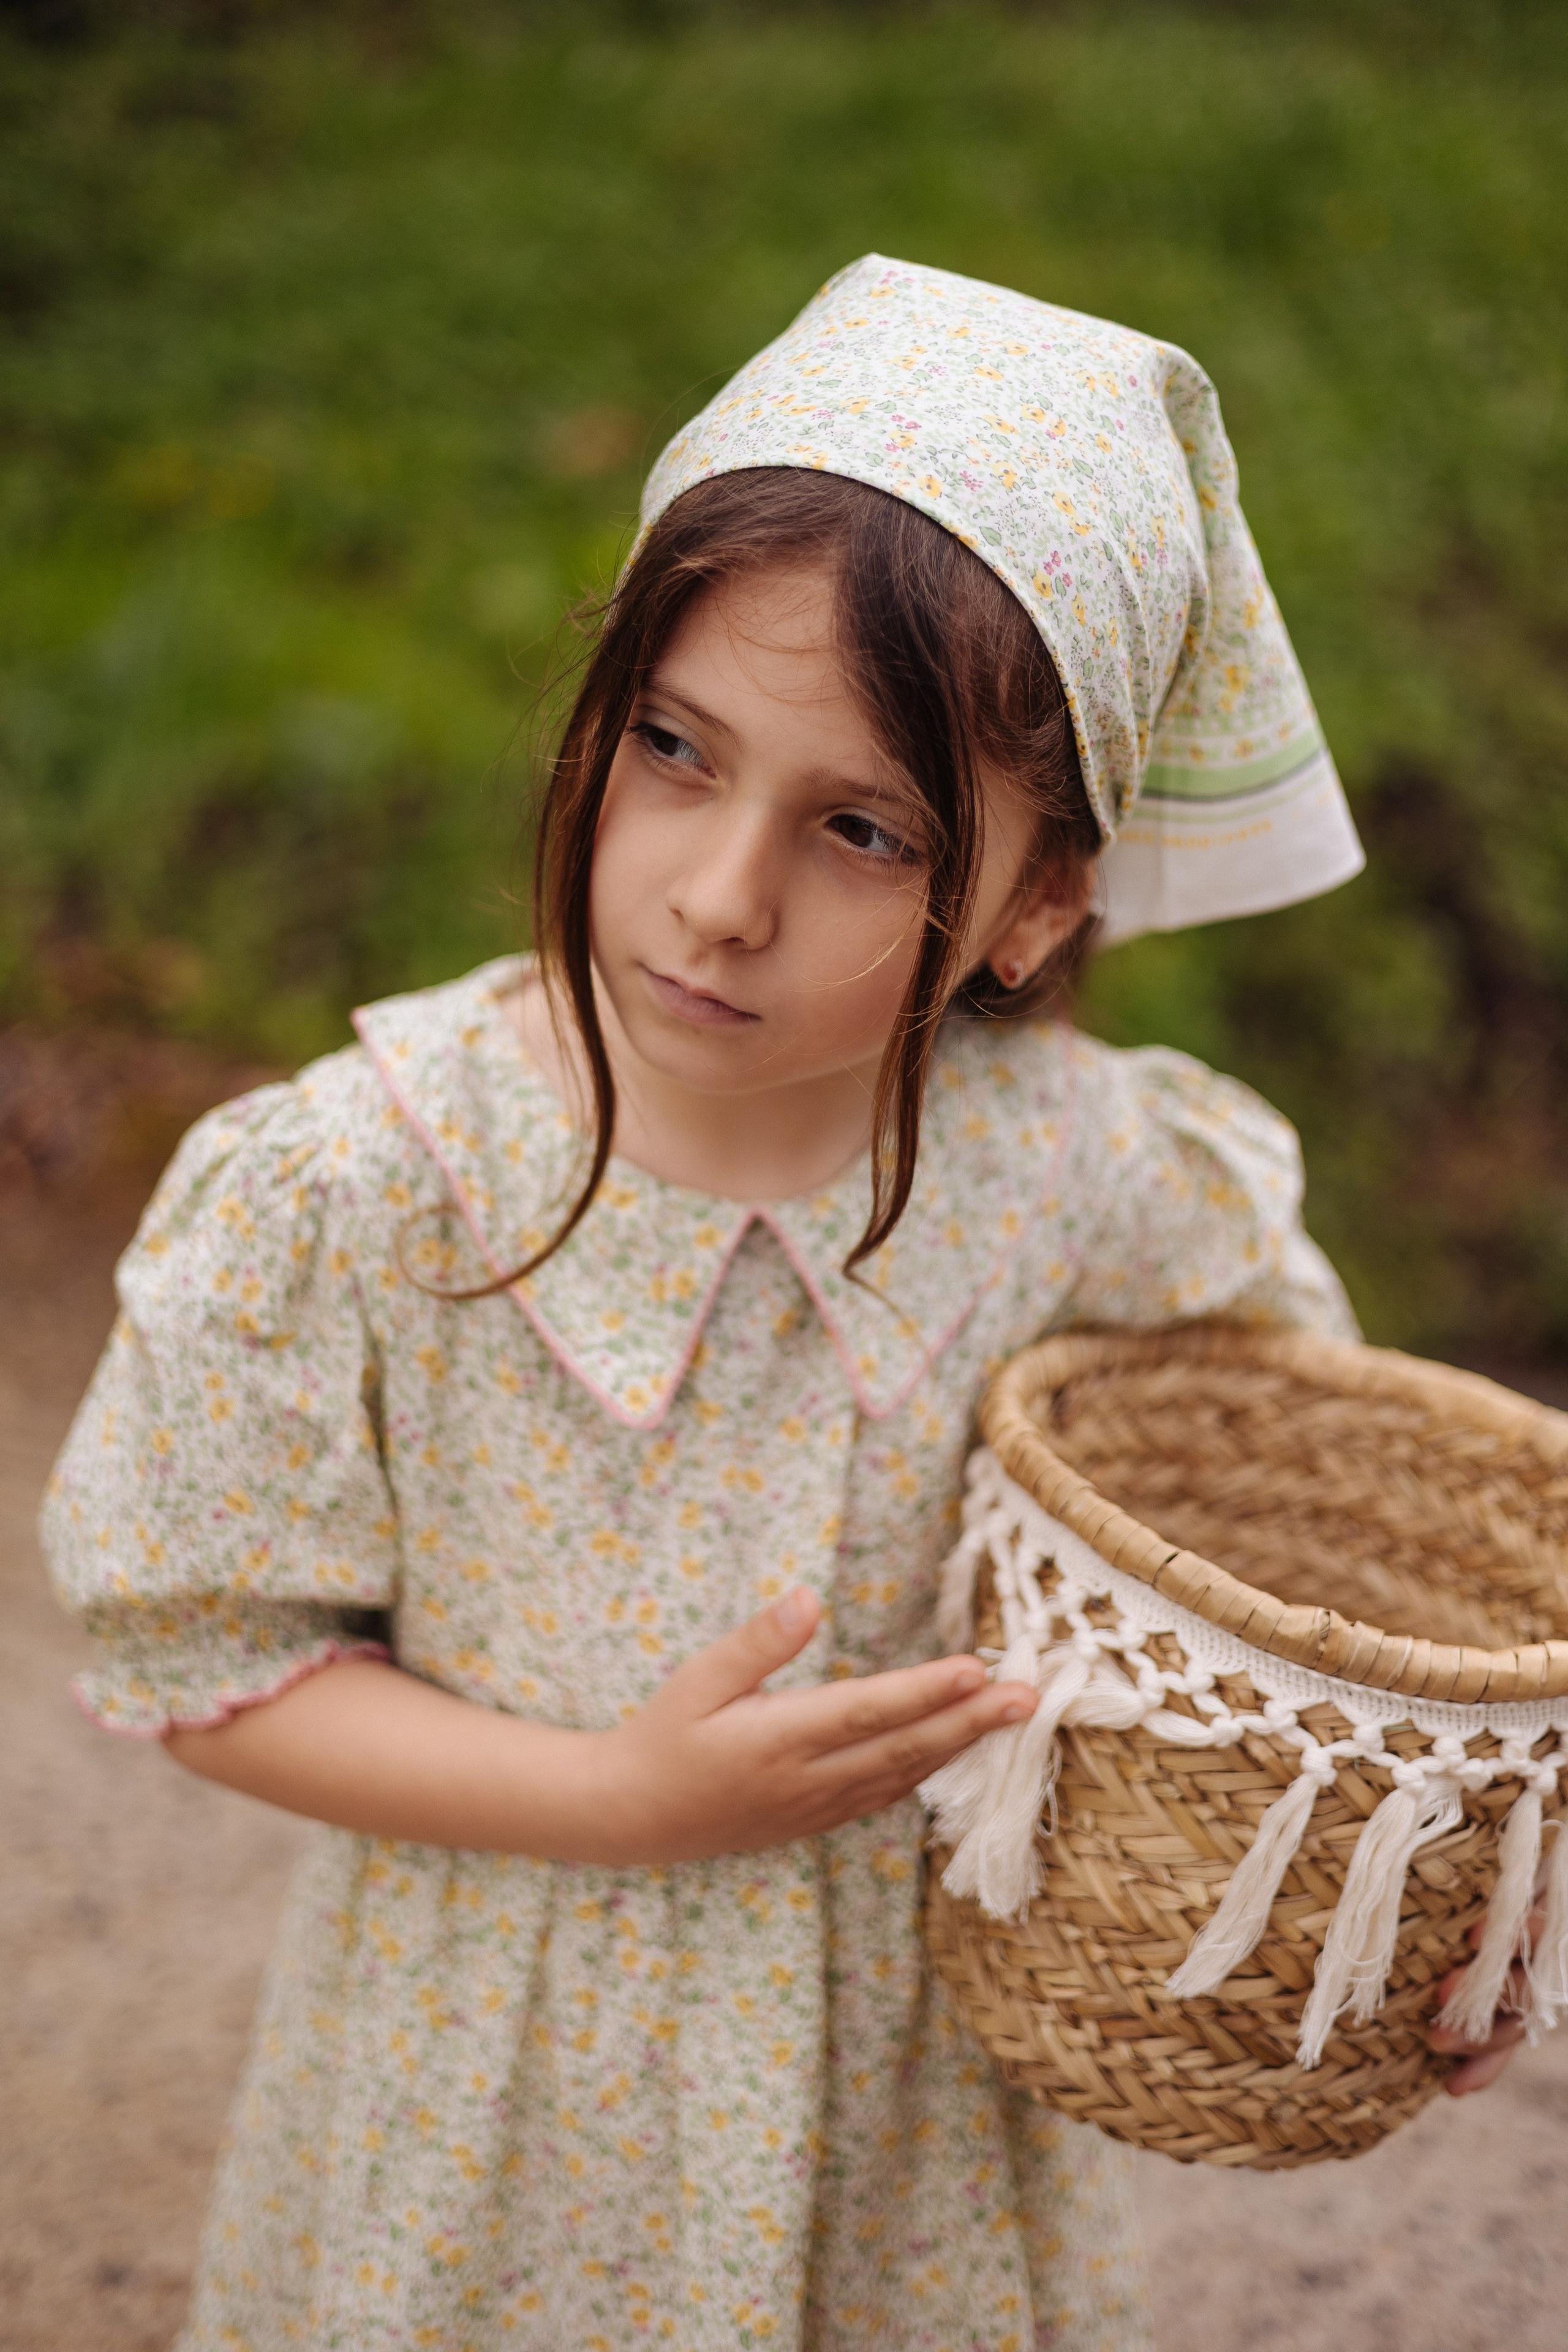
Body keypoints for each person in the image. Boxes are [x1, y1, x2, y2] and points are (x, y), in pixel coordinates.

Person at [40, 255, 1519, 2352]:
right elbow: (209, 1650)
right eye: (672, 748)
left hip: (900, 2143)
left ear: (1030, 904)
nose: (722, 893)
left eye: (859, 829)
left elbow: (1287, 1614)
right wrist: (617, 1807)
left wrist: (1410, 1927)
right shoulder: (357, 1182)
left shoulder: (1103, 1185)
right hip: (484, 2124)